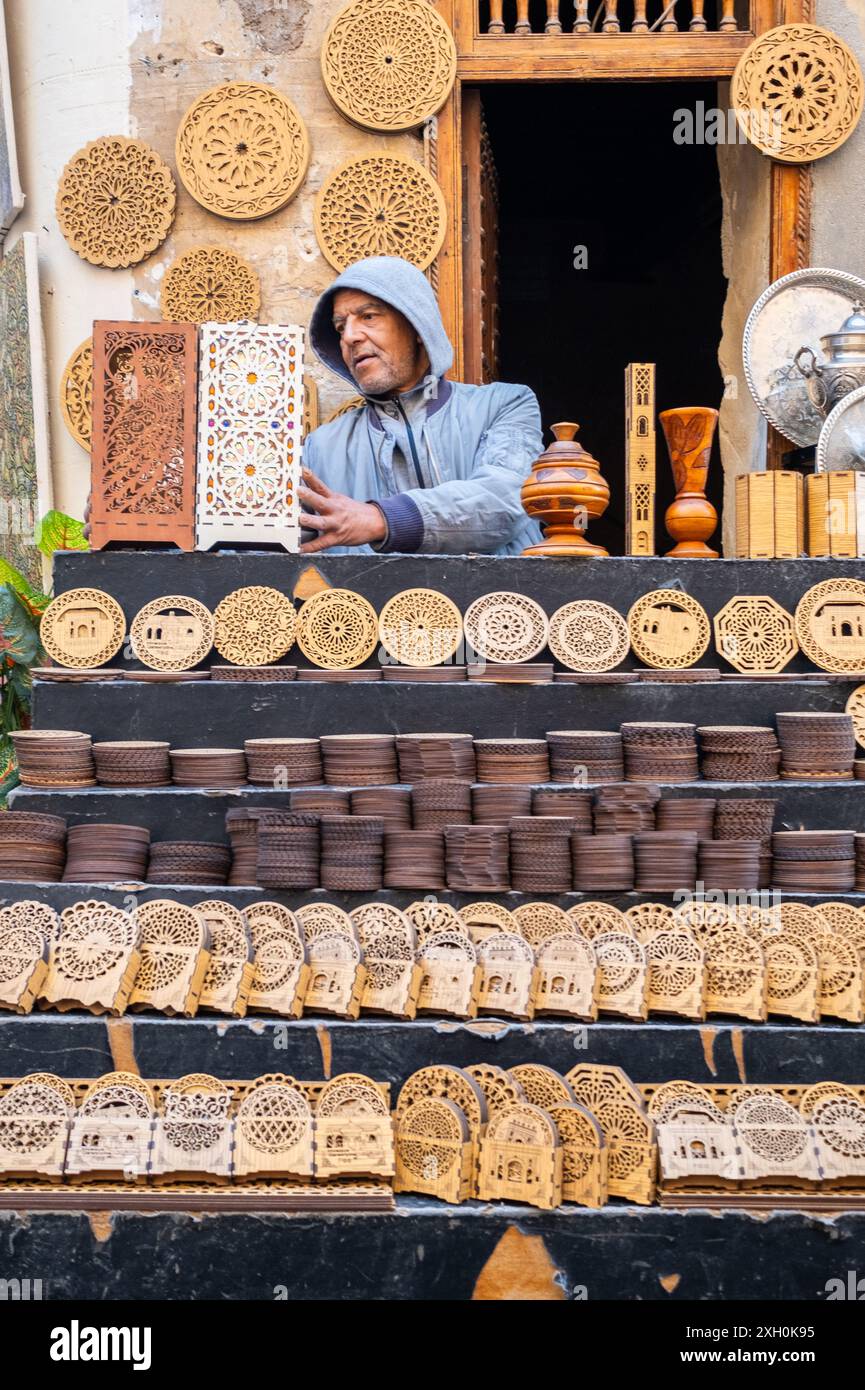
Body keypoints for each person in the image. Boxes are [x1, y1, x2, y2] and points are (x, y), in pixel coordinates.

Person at [299, 255, 543, 556]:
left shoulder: (505, 405)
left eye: (369, 316)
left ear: (416, 325)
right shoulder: (320, 449)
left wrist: (382, 520)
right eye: (340, 327)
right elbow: (271, 543)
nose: (349, 336)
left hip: (497, 603)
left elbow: (504, 499)